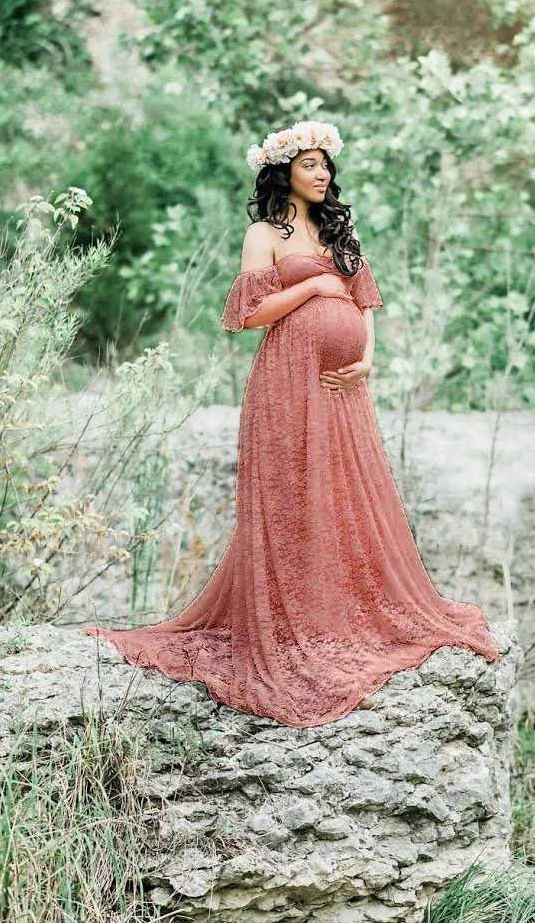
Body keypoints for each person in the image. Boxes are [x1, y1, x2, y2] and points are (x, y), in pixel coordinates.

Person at [81, 119, 500, 726]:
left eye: (326, 164)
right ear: (284, 173)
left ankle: (343, 615)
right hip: (287, 380)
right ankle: (293, 626)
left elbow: (365, 301)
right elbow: (247, 316)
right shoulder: (264, 233)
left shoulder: (340, 229)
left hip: (341, 385)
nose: (322, 173)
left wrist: (366, 360)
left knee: (345, 497)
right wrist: (311, 290)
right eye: (310, 165)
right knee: (294, 496)